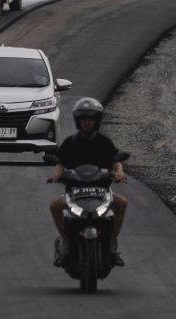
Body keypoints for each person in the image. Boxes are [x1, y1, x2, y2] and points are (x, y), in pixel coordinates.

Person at [47, 97, 127, 267]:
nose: (87, 123)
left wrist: (119, 173)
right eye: (83, 119)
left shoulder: (105, 142)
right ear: (78, 121)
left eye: (90, 119)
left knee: (122, 203)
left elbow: (116, 160)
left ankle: (112, 243)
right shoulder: (70, 142)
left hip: (101, 192)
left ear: (97, 121)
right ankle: (66, 240)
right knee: (54, 205)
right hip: (75, 192)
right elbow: (60, 163)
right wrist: (56, 175)